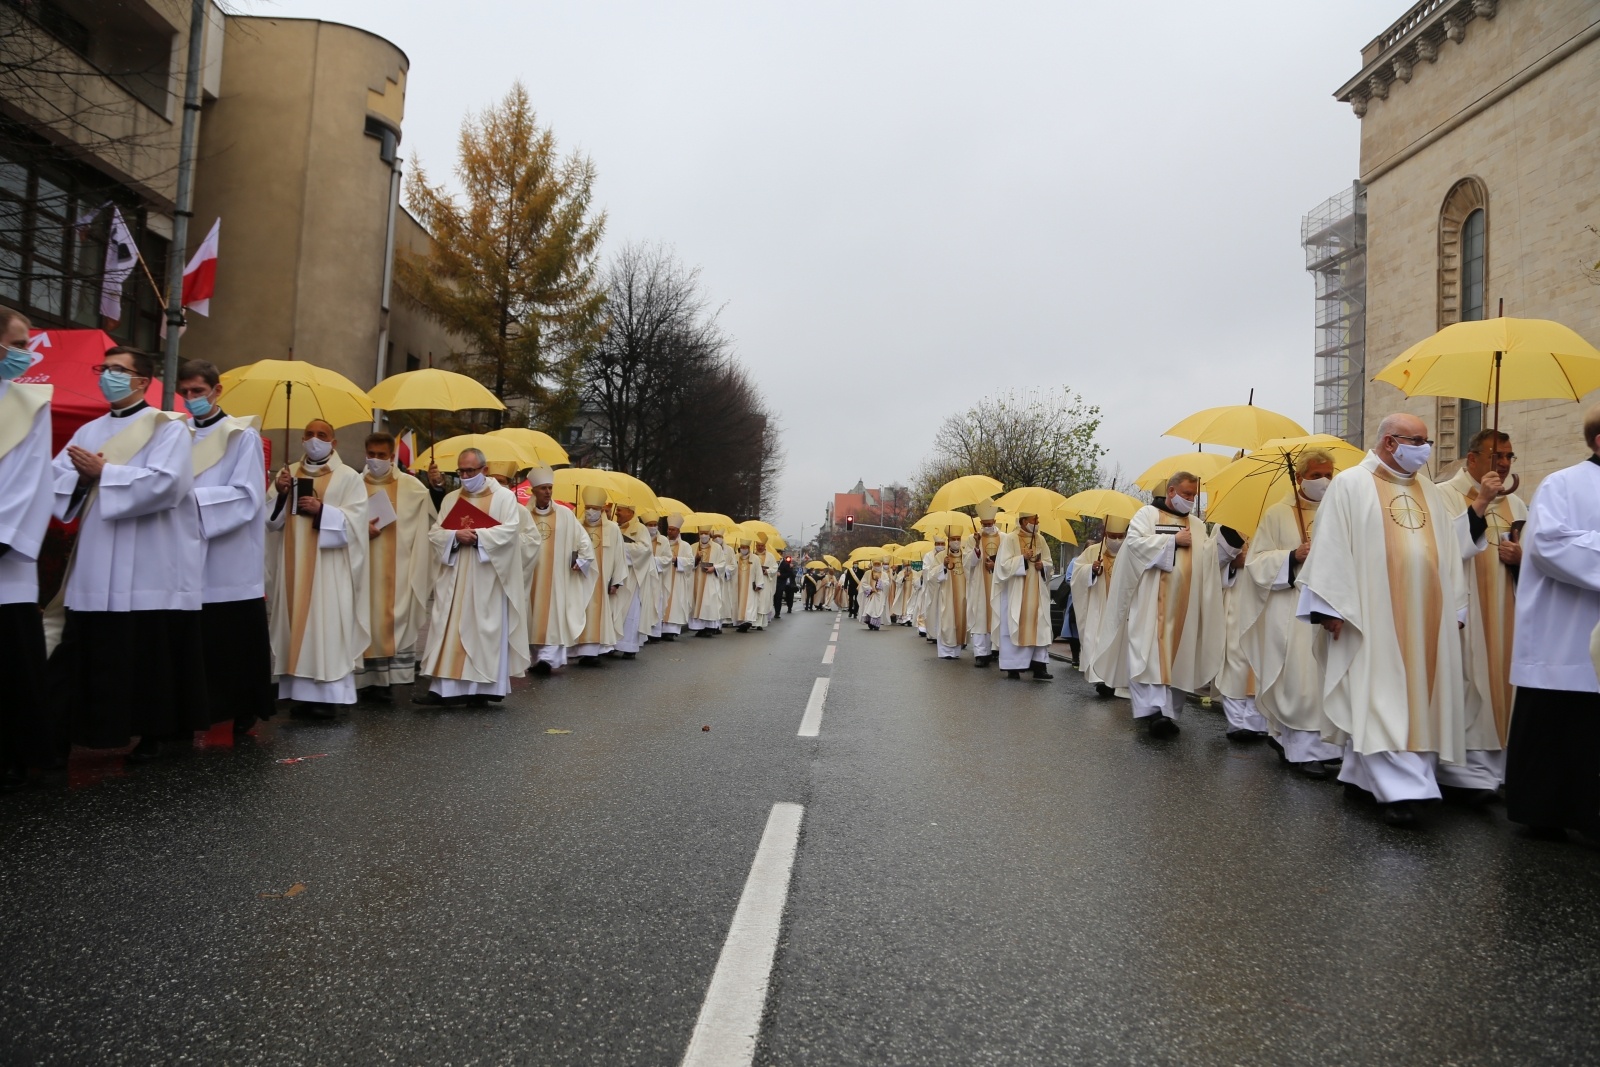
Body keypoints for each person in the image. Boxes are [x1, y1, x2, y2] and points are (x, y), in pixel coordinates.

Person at [1296, 413, 1477, 827]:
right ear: (1391, 442)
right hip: (1370, 615)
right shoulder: (1351, 485)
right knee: (1380, 697)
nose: (1426, 449)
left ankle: (1361, 777)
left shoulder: (1430, 492)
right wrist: (1329, 607)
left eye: (1427, 441)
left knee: (1413, 698)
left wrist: (1456, 608)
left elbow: (1448, 553)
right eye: (1418, 440)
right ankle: (1407, 791)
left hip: (1427, 617)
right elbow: (1331, 547)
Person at [49, 345, 207, 758]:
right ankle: (84, 730)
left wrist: (107, 473)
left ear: (142, 381)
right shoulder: (89, 430)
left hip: (146, 558)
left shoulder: (168, 427)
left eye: (119, 370)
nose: (108, 376)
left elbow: (170, 484)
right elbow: (57, 482)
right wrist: (82, 482)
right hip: (98, 552)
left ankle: (153, 732)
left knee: (145, 651)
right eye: (104, 368)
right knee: (89, 646)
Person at [1504, 407, 1600, 842]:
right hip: (1566, 634)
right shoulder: (1562, 483)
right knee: (1561, 727)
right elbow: (1547, 544)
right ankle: (1544, 811)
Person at [175, 359, 274, 739]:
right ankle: (191, 710)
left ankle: (241, 707)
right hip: (185, 551)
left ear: (216, 391)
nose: (190, 399)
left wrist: (188, 502)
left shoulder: (240, 436)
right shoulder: (177, 433)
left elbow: (247, 496)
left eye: (197, 392)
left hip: (228, 556)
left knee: (230, 641)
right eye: (184, 392)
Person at [1093, 472, 1225, 737]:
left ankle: (1168, 713)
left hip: (1185, 606)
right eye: (1187, 494)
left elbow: (1209, 556)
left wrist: (1227, 540)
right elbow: (1134, 546)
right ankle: (1153, 712)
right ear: (1172, 491)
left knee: (1178, 659)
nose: (1191, 500)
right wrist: (1172, 541)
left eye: (1194, 495)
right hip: (1151, 604)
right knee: (1149, 654)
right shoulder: (1147, 515)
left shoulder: (1197, 525)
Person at [1239, 450, 1344, 778]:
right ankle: (1300, 751)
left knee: (1326, 677)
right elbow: (1256, 562)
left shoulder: (1340, 510)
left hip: (1329, 604)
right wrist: (1292, 555)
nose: (1323, 481)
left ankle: (1325, 747)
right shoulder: (1277, 514)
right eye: (1315, 476)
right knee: (1299, 680)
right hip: (1290, 610)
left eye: (1328, 474)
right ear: (1299, 478)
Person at [1434, 429, 1526, 798]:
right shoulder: (1442, 496)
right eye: (1496, 456)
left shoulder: (1516, 505)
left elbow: (1531, 551)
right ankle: (1460, 772)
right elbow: (1440, 552)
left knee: (1506, 685)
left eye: (1508, 457)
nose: (1504, 464)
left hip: (1508, 610)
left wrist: (1522, 559)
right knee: (1468, 681)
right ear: (1471, 459)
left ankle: (1500, 772)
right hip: (1466, 610)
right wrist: (1480, 503)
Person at [265, 419, 370, 720]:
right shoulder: (287, 476)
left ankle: (328, 697)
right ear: (301, 439)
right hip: (292, 567)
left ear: (333, 443)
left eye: (322, 435)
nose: (314, 439)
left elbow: (357, 522)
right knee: (294, 627)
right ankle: (300, 694)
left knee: (326, 627)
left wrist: (324, 510)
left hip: (328, 568)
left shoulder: (348, 477)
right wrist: (281, 493)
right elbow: (270, 522)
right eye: (309, 434)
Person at [417, 447, 536, 706]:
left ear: (483, 469)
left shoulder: (504, 498)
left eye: (470, 470)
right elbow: (436, 532)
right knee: (448, 628)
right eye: (461, 471)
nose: (465, 475)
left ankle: (484, 689)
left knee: (484, 631)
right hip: (456, 575)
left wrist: (479, 536)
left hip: (488, 577)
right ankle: (444, 689)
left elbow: (511, 532)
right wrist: (454, 536)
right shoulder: (451, 499)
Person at [0, 306, 56, 787]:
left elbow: (29, 481)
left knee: (10, 666)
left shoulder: (30, 405)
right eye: (18, 344)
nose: (26, 353)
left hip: (4, 559)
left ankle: (15, 756)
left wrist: (3, 538)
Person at [355, 432, 436, 703]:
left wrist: (436, 487)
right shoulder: (351, 486)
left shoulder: (413, 488)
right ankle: (364, 680)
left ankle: (387, 681)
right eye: (371, 454)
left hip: (400, 571)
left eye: (381, 455)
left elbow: (431, 524)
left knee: (392, 621)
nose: (375, 460)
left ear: (392, 457)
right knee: (362, 619)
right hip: (361, 570)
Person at [525, 466, 595, 673]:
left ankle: (548, 659)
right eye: (543, 488)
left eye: (550, 487)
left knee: (553, 616)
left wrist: (581, 561)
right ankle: (535, 658)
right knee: (531, 615)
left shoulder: (565, 514)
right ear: (534, 491)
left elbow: (583, 541)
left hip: (557, 577)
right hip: (530, 574)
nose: (547, 492)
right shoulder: (523, 514)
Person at [1214, 524, 1270, 741]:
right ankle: (1238, 722)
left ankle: (1260, 722)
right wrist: (1231, 563)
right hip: (1237, 597)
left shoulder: (1273, 520)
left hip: (1268, 598)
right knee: (1235, 657)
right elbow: (1210, 562)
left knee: (1263, 658)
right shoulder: (1227, 524)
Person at [994, 509, 1055, 680]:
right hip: (1017, 590)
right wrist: (1021, 559)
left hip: (1037, 589)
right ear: (1022, 521)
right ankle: (1013, 667)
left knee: (1040, 627)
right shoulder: (1010, 539)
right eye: (1033, 519)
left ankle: (1039, 667)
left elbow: (1049, 563)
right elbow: (1003, 566)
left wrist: (1043, 565)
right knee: (1015, 624)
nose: (1036, 522)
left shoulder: (1041, 539)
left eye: (1037, 519)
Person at [1071, 518, 1127, 699]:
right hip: (1100, 608)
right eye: (1113, 536)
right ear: (1105, 534)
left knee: (1120, 645)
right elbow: (1077, 575)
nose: (1117, 540)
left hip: (1122, 609)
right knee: (1097, 641)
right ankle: (1101, 680)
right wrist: (1091, 570)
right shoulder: (1092, 552)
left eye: (1120, 536)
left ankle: (1117, 681)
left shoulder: (1131, 550)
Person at [571, 486, 627, 666]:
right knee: (579, 609)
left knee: (598, 613)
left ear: (602, 509)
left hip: (602, 580)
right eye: (588, 507)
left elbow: (619, 555)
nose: (590, 512)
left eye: (595, 508)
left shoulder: (612, 528)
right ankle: (578, 649)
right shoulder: (576, 525)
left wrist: (617, 581)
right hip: (579, 578)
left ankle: (593, 652)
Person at [613, 502, 656, 657]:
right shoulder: (614, 527)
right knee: (614, 610)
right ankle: (612, 643)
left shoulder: (640, 528)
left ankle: (628, 646)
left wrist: (621, 547)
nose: (616, 513)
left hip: (633, 576)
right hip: (617, 575)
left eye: (619, 510)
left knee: (630, 612)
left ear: (630, 512)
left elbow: (645, 550)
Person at [967, 502, 1003, 667]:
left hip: (998, 584)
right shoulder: (972, 538)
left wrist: (995, 566)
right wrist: (976, 546)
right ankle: (981, 654)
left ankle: (995, 650)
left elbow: (1008, 560)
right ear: (980, 523)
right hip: (980, 585)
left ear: (994, 521)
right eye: (984, 524)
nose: (987, 527)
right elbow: (969, 563)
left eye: (990, 524)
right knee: (980, 616)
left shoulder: (1005, 538)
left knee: (997, 614)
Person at [929, 527, 969, 660]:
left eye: (958, 539)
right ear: (948, 541)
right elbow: (931, 576)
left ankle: (956, 651)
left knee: (960, 619)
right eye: (953, 539)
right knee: (947, 620)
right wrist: (943, 566)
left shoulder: (965, 555)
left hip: (963, 593)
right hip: (946, 593)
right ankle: (945, 651)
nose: (956, 542)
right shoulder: (941, 556)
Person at [655, 513, 694, 640]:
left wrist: (677, 560)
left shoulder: (685, 546)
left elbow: (690, 562)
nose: (670, 531)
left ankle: (671, 631)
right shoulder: (661, 542)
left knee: (674, 602)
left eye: (673, 529)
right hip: (663, 577)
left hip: (677, 578)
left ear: (678, 531)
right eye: (669, 529)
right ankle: (658, 629)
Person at [688, 526, 728, 636]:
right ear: (698, 534)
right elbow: (688, 564)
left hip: (710, 579)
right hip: (696, 578)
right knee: (697, 602)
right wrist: (696, 559)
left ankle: (709, 628)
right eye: (701, 533)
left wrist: (714, 568)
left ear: (709, 534)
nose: (703, 535)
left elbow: (723, 563)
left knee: (709, 603)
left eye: (706, 533)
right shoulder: (693, 547)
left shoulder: (717, 548)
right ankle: (700, 628)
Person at [732, 537, 765, 631]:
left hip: (750, 587)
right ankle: (740, 623)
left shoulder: (755, 558)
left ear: (749, 548)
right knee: (737, 603)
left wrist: (759, 584)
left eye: (745, 547)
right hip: (737, 585)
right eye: (742, 547)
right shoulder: (735, 557)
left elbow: (758, 572)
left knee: (749, 605)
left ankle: (747, 622)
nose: (743, 549)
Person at [921, 533, 948, 646]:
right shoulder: (928, 555)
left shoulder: (948, 554)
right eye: (938, 544)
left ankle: (943, 633)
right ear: (934, 544)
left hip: (945, 586)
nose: (940, 546)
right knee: (931, 609)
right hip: (932, 587)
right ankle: (932, 634)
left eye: (942, 544)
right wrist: (937, 567)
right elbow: (926, 570)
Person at [859, 562, 889, 630]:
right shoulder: (868, 573)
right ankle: (870, 622)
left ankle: (876, 624)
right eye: (875, 564)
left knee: (877, 609)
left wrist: (880, 581)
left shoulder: (884, 574)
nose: (877, 566)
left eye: (878, 565)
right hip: (871, 594)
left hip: (879, 594)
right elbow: (863, 582)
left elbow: (887, 583)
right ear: (873, 565)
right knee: (869, 608)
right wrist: (870, 589)